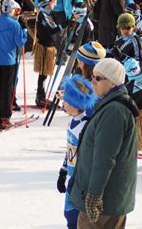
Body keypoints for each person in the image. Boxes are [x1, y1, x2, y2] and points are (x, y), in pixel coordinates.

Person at [69, 58, 139, 228]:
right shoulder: (110, 106)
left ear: (113, 82)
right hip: (108, 199)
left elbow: (104, 159)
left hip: (104, 202)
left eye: (98, 78)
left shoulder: (114, 112)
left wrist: (94, 195)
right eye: (93, 76)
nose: (92, 81)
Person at [57, 75, 97, 229]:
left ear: (75, 103)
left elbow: (88, 155)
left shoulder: (84, 126)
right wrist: (63, 170)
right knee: (68, 213)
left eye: (66, 100)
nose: (63, 102)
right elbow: (70, 150)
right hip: (72, 177)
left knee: (75, 216)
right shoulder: (73, 122)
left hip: (81, 180)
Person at [0, 0, 28, 130]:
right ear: (12, 10)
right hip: (9, 60)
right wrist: (24, 31)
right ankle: (5, 118)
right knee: (7, 89)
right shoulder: (15, 24)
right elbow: (20, 43)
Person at [33, 0, 64, 107]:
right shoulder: (42, 15)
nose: (54, 4)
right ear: (46, 4)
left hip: (49, 46)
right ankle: (40, 97)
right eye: (52, 2)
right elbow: (52, 30)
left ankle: (41, 96)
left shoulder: (48, 14)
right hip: (45, 47)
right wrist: (62, 26)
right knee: (43, 73)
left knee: (45, 73)